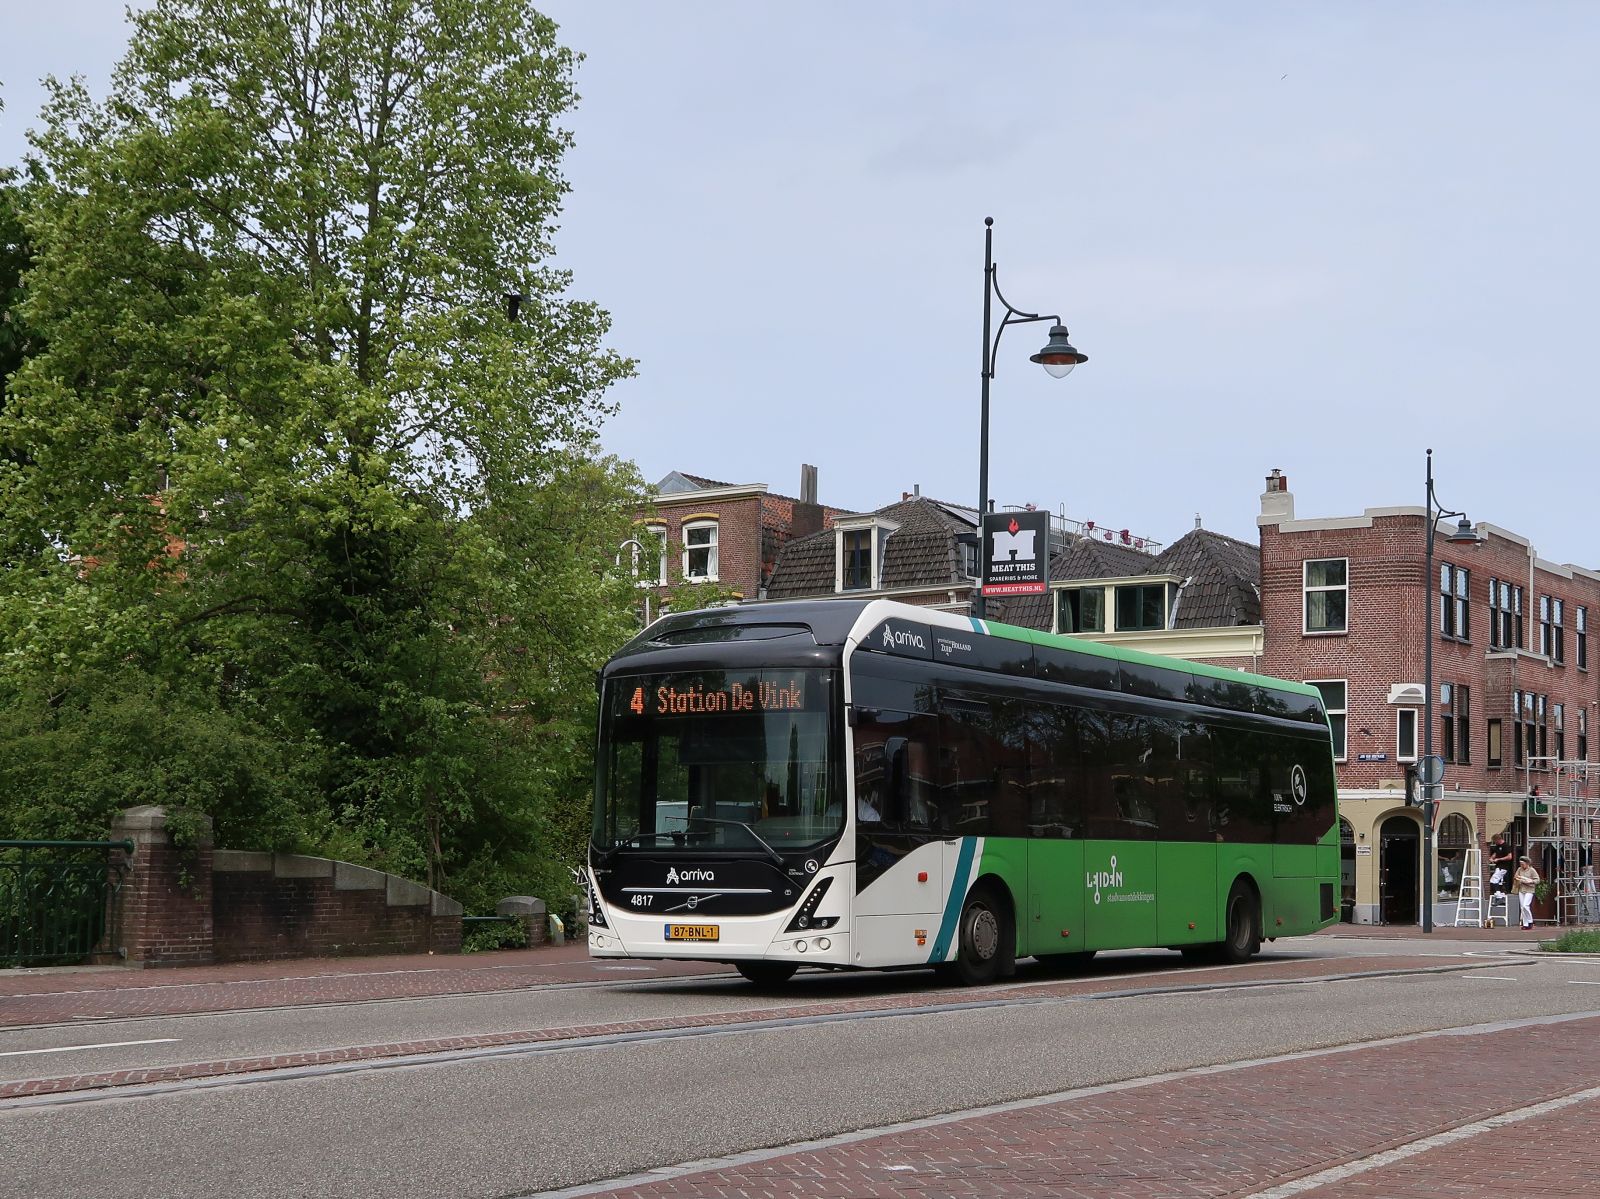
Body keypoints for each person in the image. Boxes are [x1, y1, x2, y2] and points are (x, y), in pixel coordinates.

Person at [1513, 855, 1542, 931]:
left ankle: (1530, 921)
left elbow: (1537, 880)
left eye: (1523, 864)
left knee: (1526, 905)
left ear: (1527, 863)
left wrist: (1530, 881)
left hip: (1529, 890)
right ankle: (1525, 924)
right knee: (1522, 907)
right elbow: (1516, 876)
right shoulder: (1519, 869)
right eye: (1521, 864)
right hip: (1521, 889)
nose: (1522, 865)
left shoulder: (1532, 870)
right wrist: (1518, 878)